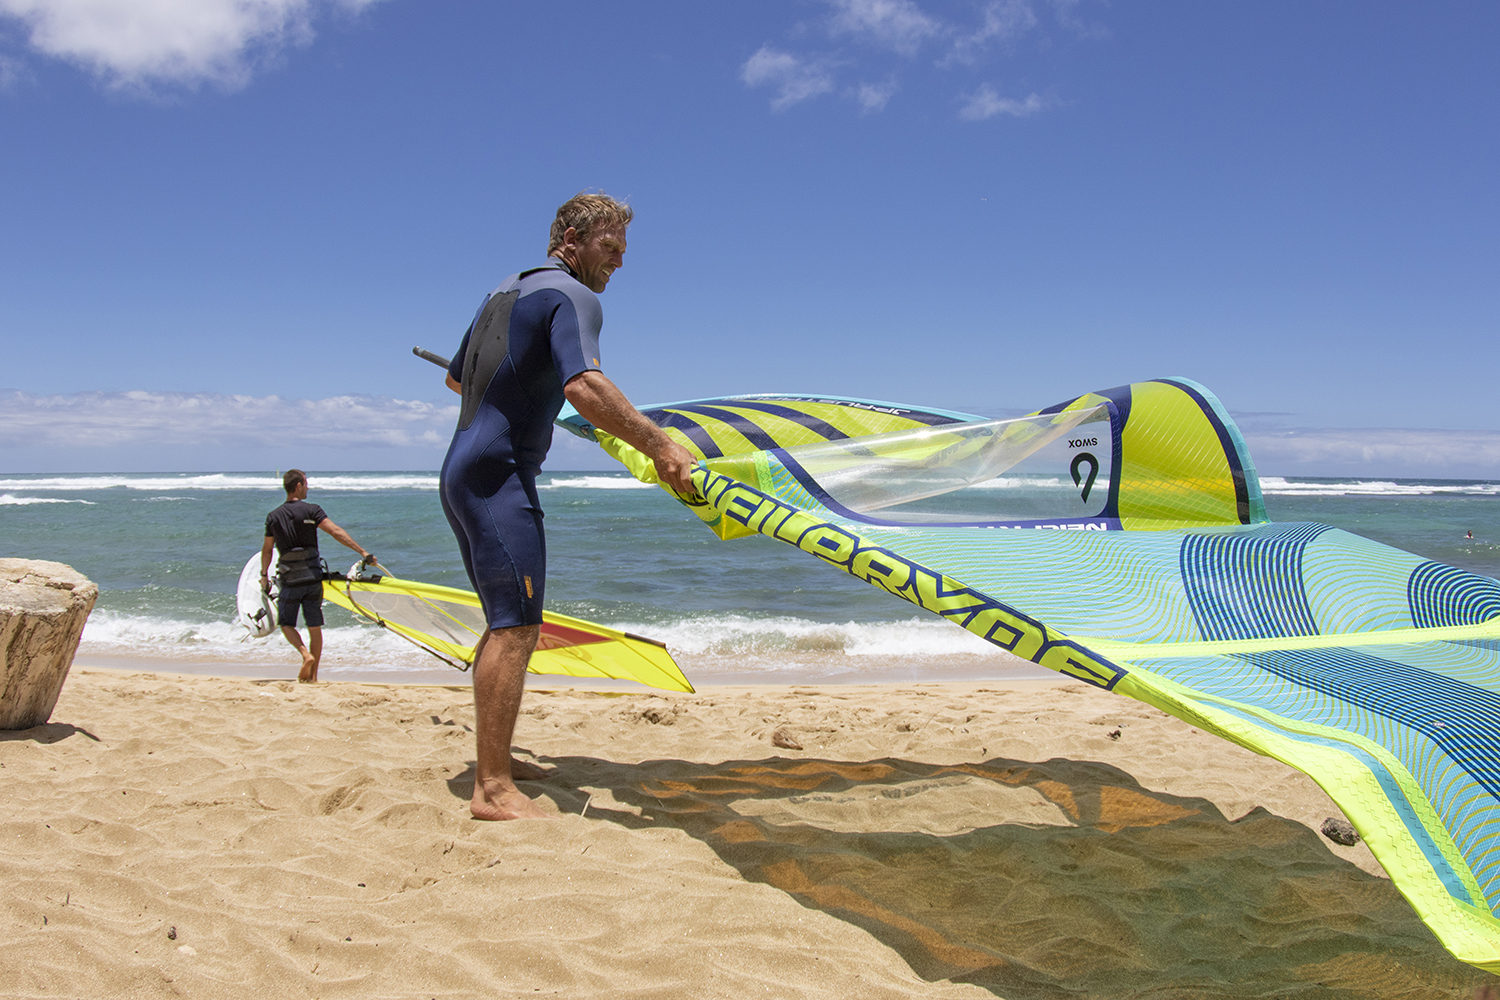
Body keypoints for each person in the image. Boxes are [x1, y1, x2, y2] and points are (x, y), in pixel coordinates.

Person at [440, 191, 696, 821]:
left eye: (623, 252)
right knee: (518, 627)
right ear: (572, 240)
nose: (617, 263)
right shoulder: (576, 297)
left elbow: (457, 377)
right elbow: (583, 384)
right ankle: (493, 789)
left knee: (505, 620)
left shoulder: (506, 289)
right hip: (499, 477)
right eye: (610, 248)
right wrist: (659, 443)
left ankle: (493, 760)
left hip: (462, 470)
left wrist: (532, 392)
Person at [261, 469, 375, 683]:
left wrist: (263, 575)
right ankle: (313, 677)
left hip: (290, 578)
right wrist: (362, 551)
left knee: (286, 623)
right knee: (314, 627)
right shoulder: (312, 510)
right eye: (306, 483)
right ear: (298, 486)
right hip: (313, 577)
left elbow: (267, 550)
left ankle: (306, 655)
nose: (308, 487)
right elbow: (335, 531)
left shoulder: (273, 517)